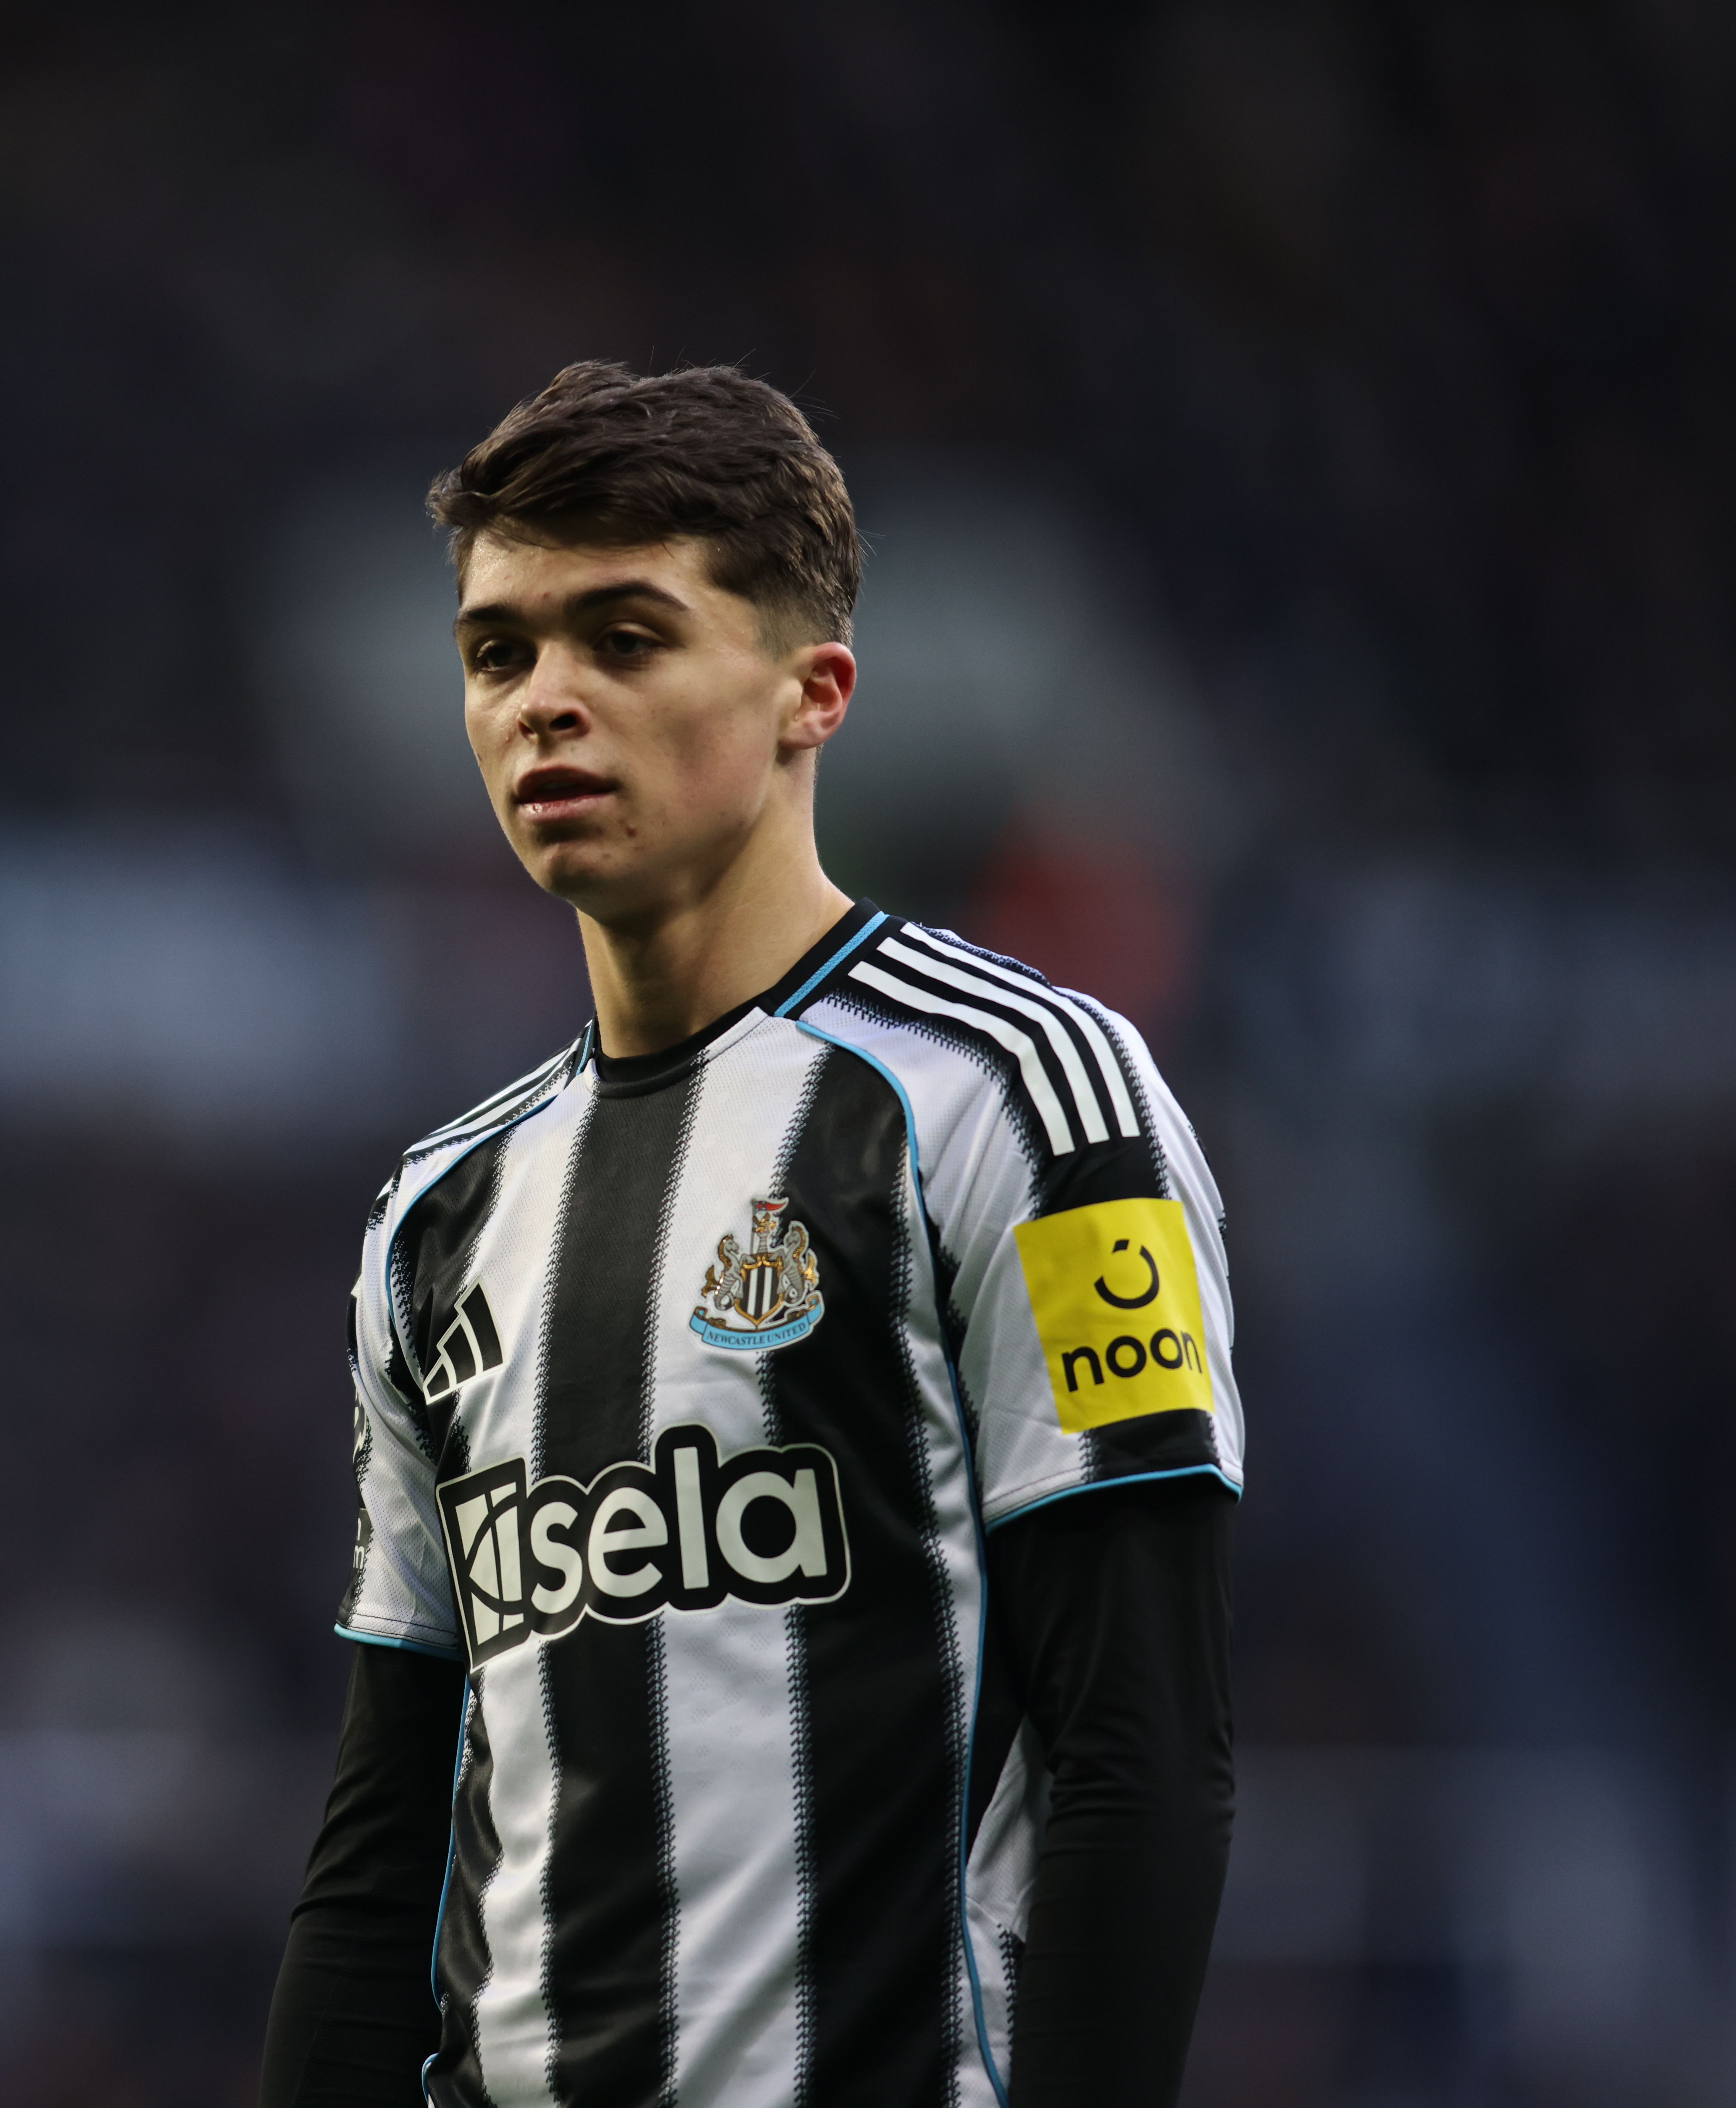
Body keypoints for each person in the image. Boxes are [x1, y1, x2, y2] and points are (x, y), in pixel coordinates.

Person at [257, 363, 1240, 2108]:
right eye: (498, 653)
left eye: (622, 639)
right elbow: (389, 1827)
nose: (544, 701)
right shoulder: (439, 1214)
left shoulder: (1022, 1097)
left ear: (812, 694)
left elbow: (1134, 1744)